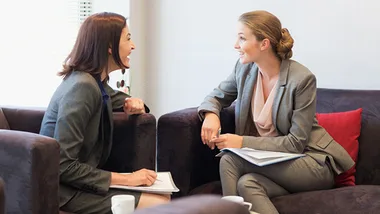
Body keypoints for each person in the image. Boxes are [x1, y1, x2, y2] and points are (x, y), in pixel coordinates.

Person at [198, 10, 354, 214]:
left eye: (242, 38)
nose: (235, 45)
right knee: (248, 184)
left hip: (310, 162)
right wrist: (211, 115)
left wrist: (241, 142)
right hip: (272, 164)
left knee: (230, 158)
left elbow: (295, 143)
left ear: (264, 44)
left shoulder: (301, 79)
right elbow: (215, 96)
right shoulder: (244, 70)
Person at [39, 12, 170, 214]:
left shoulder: (94, 82)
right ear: (109, 46)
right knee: (159, 204)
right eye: (128, 39)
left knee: (162, 197)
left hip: (78, 184)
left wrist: (133, 102)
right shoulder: (82, 88)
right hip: (64, 192)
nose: (133, 46)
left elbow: (112, 97)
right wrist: (128, 179)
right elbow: (63, 165)